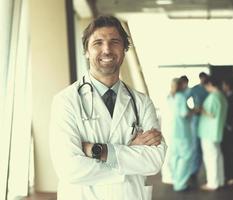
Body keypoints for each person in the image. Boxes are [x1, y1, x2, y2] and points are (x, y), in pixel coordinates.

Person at [49, 15, 167, 200]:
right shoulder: (65, 101)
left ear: (124, 49)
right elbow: (70, 169)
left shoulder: (142, 102)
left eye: (114, 42)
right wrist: (129, 155)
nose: (107, 49)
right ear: (86, 51)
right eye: (98, 43)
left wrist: (98, 151)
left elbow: (154, 161)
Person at [198, 76, 228, 191]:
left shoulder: (213, 97)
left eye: (206, 85)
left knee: (210, 158)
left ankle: (212, 183)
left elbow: (211, 114)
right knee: (217, 156)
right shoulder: (222, 96)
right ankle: (219, 180)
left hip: (208, 132)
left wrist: (201, 109)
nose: (205, 87)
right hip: (217, 131)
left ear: (210, 84)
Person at [168, 78, 193, 191]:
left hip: (173, 131)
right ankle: (180, 184)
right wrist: (193, 111)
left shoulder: (169, 97)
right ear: (181, 86)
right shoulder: (181, 97)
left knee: (175, 157)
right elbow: (184, 113)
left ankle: (175, 179)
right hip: (182, 131)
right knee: (185, 157)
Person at [189, 72, 209, 179]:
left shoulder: (209, 89)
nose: (204, 81)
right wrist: (191, 110)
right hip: (197, 119)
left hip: (207, 120)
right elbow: (184, 99)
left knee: (206, 146)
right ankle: (194, 170)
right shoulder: (194, 89)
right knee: (196, 146)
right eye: (202, 79)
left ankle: (207, 170)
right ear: (200, 78)